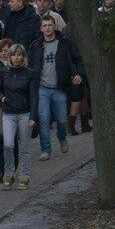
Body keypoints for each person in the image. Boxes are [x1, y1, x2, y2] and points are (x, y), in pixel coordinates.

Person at [29, 16, 83, 159]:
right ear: (41, 28)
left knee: (62, 119)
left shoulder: (66, 43)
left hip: (60, 87)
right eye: (44, 25)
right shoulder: (35, 46)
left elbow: (78, 60)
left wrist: (78, 73)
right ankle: (45, 150)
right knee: (44, 118)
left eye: (50, 25)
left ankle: (61, 137)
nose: (47, 28)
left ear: (54, 26)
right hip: (42, 88)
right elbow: (29, 66)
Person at [0, 45, 38, 190]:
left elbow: (34, 96)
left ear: (23, 57)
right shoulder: (4, 72)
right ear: (10, 57)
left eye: (19, 55)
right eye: (14, 55)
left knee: (24, 147)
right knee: (8, 144)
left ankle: (24, 175)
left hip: (24, 113)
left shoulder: (30, 73)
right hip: (8, 113)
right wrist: (3, 98)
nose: (16, 58)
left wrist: (33, 116)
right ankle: (9, 172)